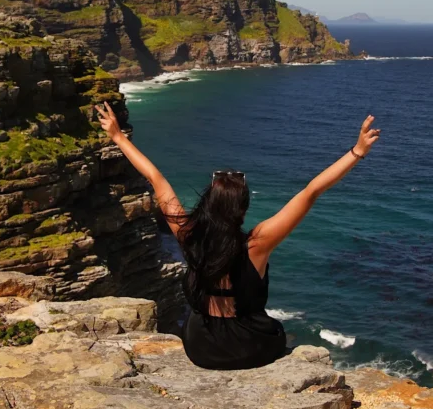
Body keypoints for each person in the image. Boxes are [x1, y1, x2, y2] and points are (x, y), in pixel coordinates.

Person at [95, 101, 380, 370]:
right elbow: (311, 191)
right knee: (277, 330)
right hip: (250, 347)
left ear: (208, 202)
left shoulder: (188, 233)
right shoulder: (258, 242)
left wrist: (118, 137)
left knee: (193, 320)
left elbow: (156, 178)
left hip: (203, 348)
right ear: (243, 210)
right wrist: (357, 151)